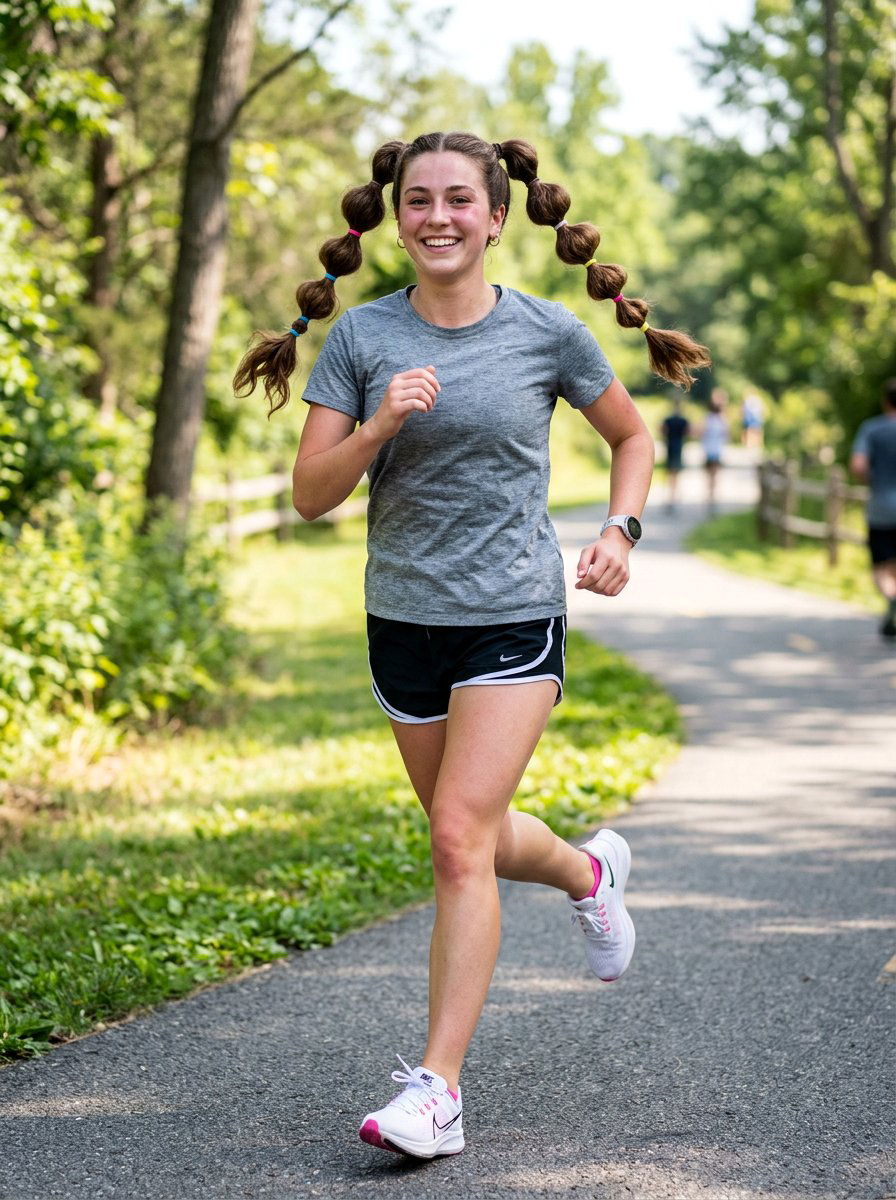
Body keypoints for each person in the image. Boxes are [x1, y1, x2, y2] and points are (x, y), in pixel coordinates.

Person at [233, 131, 710, 1158]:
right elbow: (311, 496)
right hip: (403, 621)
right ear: (391, 216)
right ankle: (589, 876)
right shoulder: (360, 340)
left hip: (510, 613)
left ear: (497, 217)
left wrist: (617, 531)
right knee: (480, 838)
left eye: (458, 200)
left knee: (455, 836)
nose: (437, 218)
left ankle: (436, 1093)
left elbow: (630, 437)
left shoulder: (545, 335)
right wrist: (372, 430)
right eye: (417, 201)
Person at [850, 379, 896, 641]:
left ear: (885, 401)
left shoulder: (872, 429)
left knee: (881, 565)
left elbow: (858, 466)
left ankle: (891, 599)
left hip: (881, 507)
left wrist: (874, 480)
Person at [659, 397, 690, 512]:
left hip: (670, 447)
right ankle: (674, 496)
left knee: (669, 473)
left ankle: (670, 496)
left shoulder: (668, 419)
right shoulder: (683, 420)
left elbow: (662, 430)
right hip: (678, 447)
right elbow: (688, 432)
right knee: (675, 474)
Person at [701, 388, 728, 513]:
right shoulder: (721, 420)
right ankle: (712, 495)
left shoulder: (709, 419)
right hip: (715, 450)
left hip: (710, 450)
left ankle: (711, 495)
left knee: (711, 474)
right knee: (714, 474)